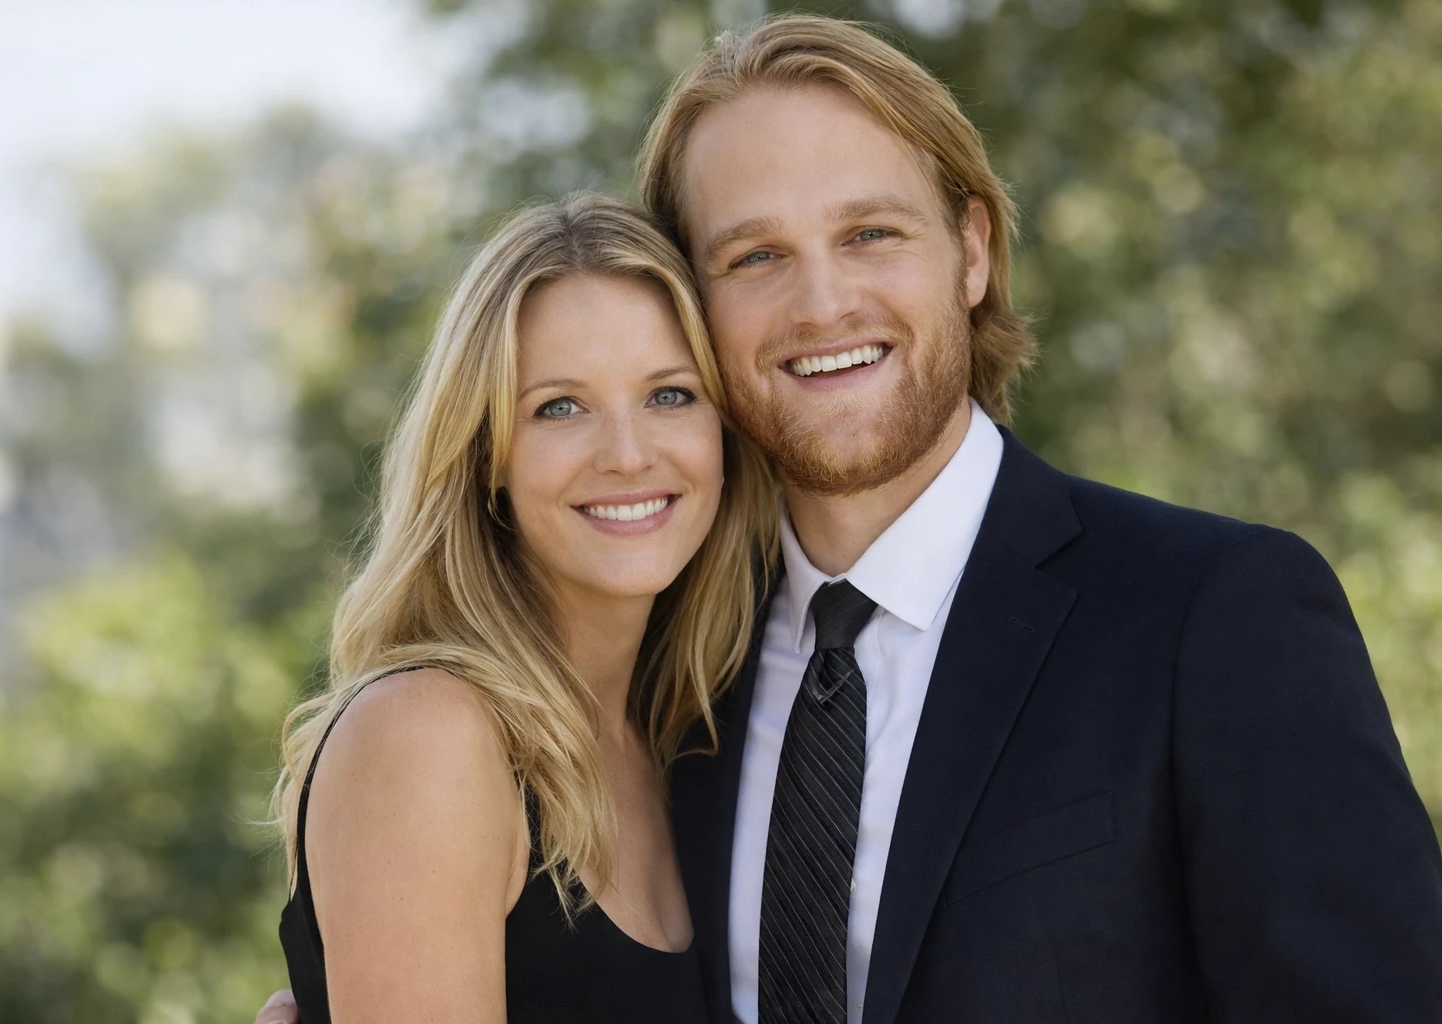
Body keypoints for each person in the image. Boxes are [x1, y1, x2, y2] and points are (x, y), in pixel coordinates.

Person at [258, 14, 1442, 1024]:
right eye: (755, 255)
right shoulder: (671, 694)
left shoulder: (1214, 618)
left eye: (870, 233)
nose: (822, 303)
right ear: (697, 303)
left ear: (971, 251)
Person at [269, 191, 775, 1023]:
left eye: (670, 395)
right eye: (559, 407)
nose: (627, 454)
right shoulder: (428, 735)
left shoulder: (686, 743)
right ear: (487, 455)